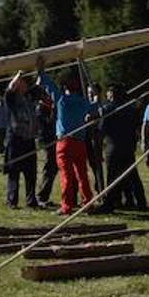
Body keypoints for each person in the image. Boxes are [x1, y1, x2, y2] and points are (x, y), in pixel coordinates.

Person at [36, 57, 98, 216]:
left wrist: (41, 69)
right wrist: (96, 98)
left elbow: (47, 84)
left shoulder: (61, 99)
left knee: (66, 175)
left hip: (64, 143)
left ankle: (67, 206)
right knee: (82, 175)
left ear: (65, 88)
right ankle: (88, 203)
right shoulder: (83, 102)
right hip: (80, 142)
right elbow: (95, 107)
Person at [96, 83, 145, 211]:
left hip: (113, 146)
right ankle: (140, 202)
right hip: (128, 146)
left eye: (108, 93)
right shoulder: (129, 108)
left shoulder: (107, 109)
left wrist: (98, 147)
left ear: (112, 95)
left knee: (112, 176)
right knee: (132, 176)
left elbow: (102, 130)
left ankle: (109, 204)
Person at [0, 71, 42, 208]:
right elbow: (10, 87)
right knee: (14, 171)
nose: (25, 84)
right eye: (23, 82)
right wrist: (18, 75)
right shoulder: (11, 99)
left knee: (31, 172)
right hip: (15, 139)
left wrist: (40, 68)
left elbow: (39, 82)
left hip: (29, 139)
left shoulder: (28, 96)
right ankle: (12, 201)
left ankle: (31, 200)